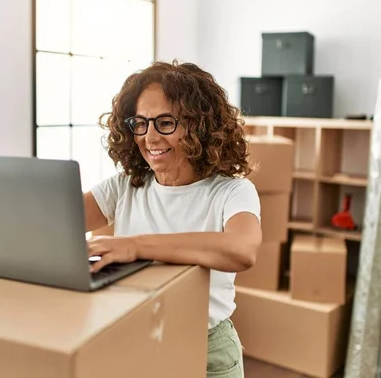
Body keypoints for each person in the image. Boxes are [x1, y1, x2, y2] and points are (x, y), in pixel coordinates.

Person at [83, 60, 262, 378]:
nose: (149, 138)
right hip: (133, 337)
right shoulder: (126, 185)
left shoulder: (232, 191)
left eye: (165, 123)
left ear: (200, 127)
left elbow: (242, 249)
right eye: (140, 123)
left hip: (205, 348)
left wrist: (135, 246)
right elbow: (56, 220)